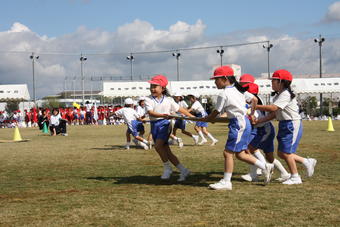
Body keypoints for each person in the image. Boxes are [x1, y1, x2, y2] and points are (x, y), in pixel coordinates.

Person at [203, 66, 273, 190]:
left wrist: (209, 119)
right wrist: (251, 114)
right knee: (240, 154)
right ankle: (264, 166)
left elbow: (215, 112)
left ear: (225, 79)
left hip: (238, 124)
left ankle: (226, 182)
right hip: (244, 123)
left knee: (227, 153)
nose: (215, 82)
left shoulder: (223, 93)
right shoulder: (239, 90)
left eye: (216, 79)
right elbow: (255, 99)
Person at [254, 69, 317, 185]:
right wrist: (259, 121)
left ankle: (295, 177)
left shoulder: (285, 94)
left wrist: (255, 106)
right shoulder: (278, 96)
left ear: (281, 82)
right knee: (282, 153)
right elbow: (273, 114)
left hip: (291, 124)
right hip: (285, 124)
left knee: (286, 153)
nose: (271, 83)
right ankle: (306, 161)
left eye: (274, 81)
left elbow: (273, 109)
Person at [144, 74, 194, 181]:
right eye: (151, 86)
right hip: (154, 125)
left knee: (157, 146)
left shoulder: (169, 100)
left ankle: (167, 168)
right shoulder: (148, 99)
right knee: (166, 151)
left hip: (165, 125)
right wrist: (162, 115)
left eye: (155, 86)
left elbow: (180, 109)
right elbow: (150, 112)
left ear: (162, 88)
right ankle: (184, 170)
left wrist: (192, 117)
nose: (152, 89)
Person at [240, 82, 291, 182]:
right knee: (269, 156)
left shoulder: (254, 102)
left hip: (263, 129)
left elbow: (255, 118)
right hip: (264, 129)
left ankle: (260, 171)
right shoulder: (256, 99)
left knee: (250, 148)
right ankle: (284, 173)